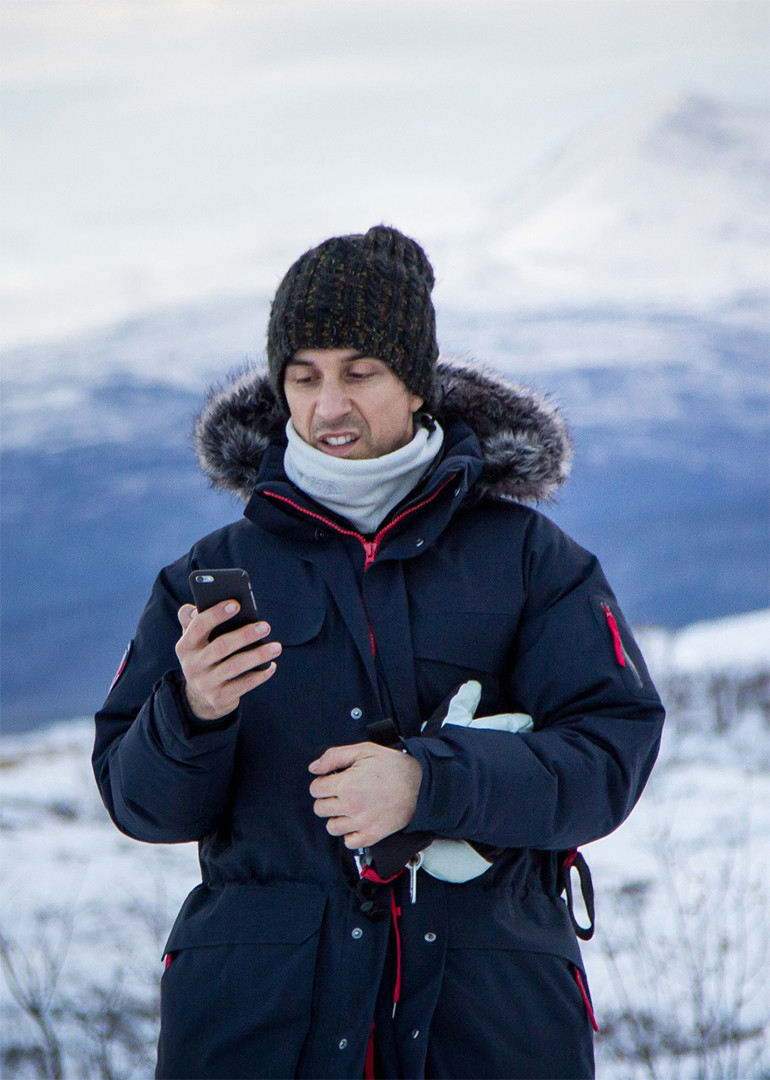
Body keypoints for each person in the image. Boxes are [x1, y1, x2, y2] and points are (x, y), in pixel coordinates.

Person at [92, 224, 665, 1080]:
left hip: (490, 1025)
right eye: (304, 376)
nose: (329, 406)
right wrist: (192, 711)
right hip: (259, 1025)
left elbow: (609, 756)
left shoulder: (531, 560)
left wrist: (431, 783)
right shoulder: (207, 578)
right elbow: (143, 808)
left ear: (416, 383)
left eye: (361, 372)